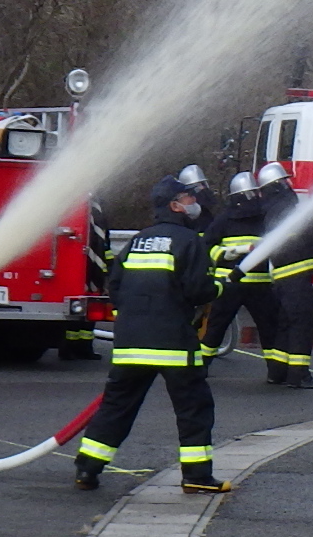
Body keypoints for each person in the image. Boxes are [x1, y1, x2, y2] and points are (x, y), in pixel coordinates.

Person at [76, 173, 231, 496]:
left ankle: (86, 468)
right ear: (175, 206)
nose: (195, 203)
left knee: (116, 407)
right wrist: (220, 285)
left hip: (130, 345)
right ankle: (197, 475)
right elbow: (199, 290)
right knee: (193, 409)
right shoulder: (189, 242)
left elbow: (115, 286)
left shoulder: (136, 241)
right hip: (173, 344)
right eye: (189, 199)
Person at [253, 161, 313, 389]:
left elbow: (294, 236)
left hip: (284, 277)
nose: (290, 183)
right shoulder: (285, 205)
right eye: (285, 180)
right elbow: (302, 229)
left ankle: (278, 372)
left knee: (286, 324)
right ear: (277, 185)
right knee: (300, 325)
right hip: (295, 276)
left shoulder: (272, 207)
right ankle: (298, 375)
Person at [203, 172, 277, 373]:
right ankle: (277, 370)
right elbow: (207, 247)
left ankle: (200, 369)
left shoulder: (225, 218)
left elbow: (207, 245)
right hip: (253, 284)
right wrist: (224, 254)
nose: (253, 199)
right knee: (268, 327)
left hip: (233, 284)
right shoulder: (263, 216)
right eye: (251, 194)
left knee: (216, 327)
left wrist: (221, 254)